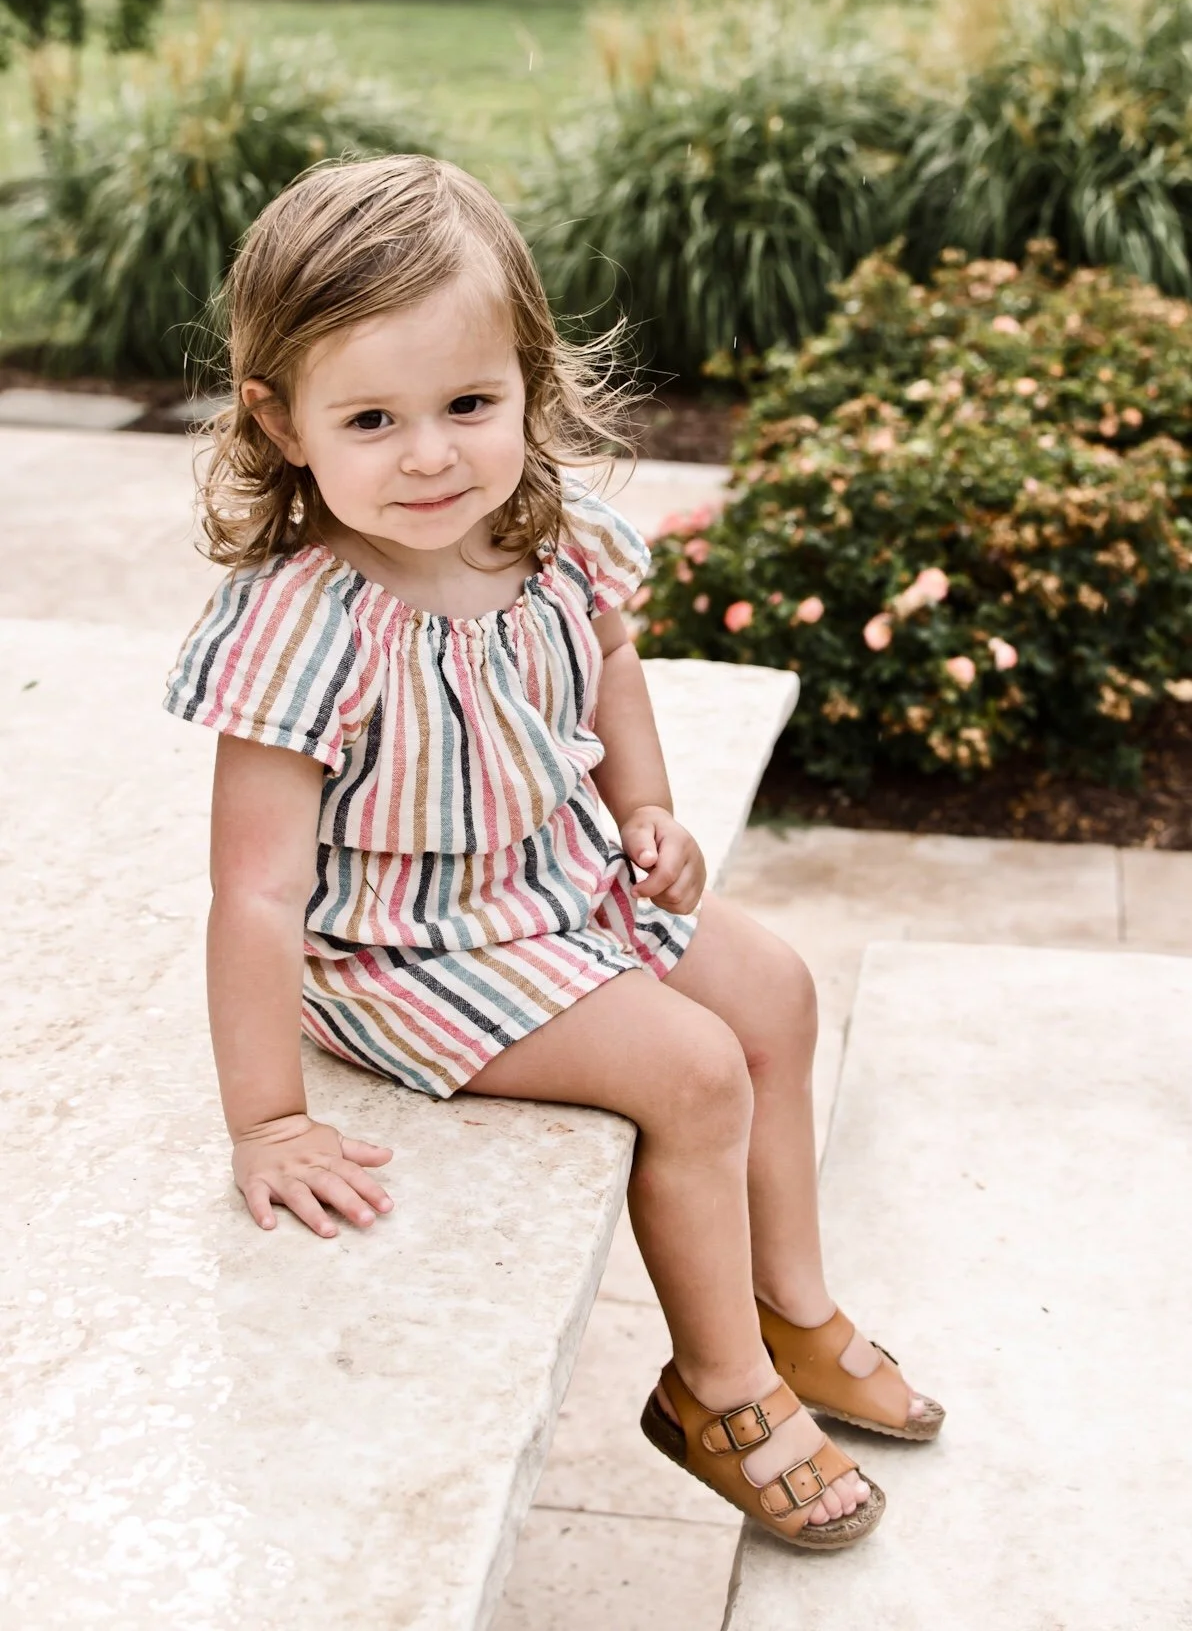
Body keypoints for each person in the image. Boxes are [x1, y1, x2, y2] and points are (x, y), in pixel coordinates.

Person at [165, 154, 943, 1552]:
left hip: (556, 885)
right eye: (372, 417)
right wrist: (267, 1118)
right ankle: (719, 1390)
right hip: (402, 954)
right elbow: (256, 891)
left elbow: (612, 666)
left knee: (774, 992)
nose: (431, 455)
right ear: (281, 423)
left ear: (530, 380)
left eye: (470, 404)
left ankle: (794, 1305)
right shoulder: (305, 621)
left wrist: (646, 807)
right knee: (695, 1074)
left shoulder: (553, 543)